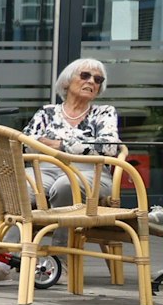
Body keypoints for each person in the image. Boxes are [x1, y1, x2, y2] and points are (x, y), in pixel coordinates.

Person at [27, 58, 123, 209]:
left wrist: (59, 145)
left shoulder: (104, 112)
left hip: (90, 172)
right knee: (18, 186)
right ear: (66, 82)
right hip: (44, 170)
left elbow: (108, 147)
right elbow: (25, 143)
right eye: (85, 76)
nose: (91, 81)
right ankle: (16, 233)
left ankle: (64, 233)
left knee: (66, 185)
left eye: (97, 79)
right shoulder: (47, 112)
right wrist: (79, 145)